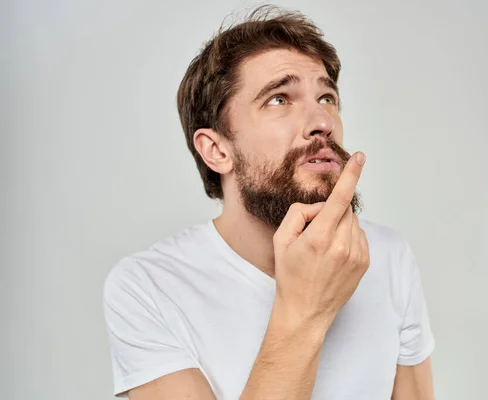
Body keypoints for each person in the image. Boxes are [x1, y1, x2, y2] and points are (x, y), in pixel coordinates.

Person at [103, 5, 435, 399]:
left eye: (327, 97)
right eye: (279, 99)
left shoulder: (387, 256)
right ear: (216, 150)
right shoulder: (148, 288)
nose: (322, 122)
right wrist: (305, 312)